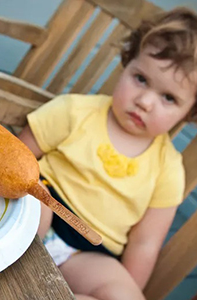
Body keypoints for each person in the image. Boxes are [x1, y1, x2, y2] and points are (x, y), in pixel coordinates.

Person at [18, 7, 197, 300]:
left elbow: (145, 245)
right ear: (127, 64)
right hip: (44, 209)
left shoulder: (169, 170)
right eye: (141, 79)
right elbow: (18, 157)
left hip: (88, 253)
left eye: (168, 98)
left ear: (188, 112)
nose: (145, 101)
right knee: (35, 201)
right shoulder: (74, 111)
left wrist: (127, 289)